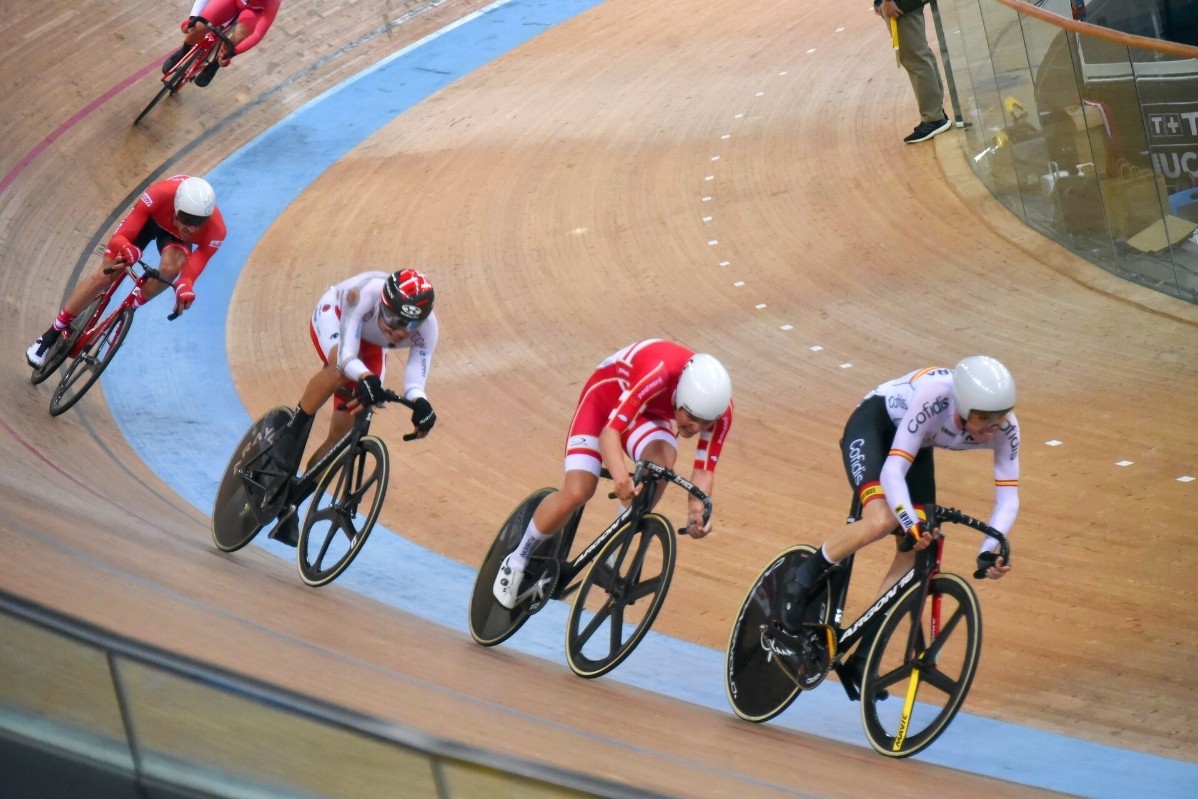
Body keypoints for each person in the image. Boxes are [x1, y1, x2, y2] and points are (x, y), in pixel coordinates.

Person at [778, 356, 1018, 683]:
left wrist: (990, 549)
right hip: (876, 425)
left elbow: (1008, 499)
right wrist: (908, 521)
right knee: (882, 519)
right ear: (962, 407)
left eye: (999, 418)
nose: (992, 427)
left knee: (917, 551)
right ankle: (800, 580)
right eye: (984, 419)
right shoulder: (935, 395)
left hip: (917, 445)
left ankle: (864, 657)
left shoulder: (1005, 428)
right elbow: (893, 471)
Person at [493, 339, 734, 609]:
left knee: (662, 464)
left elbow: (703, 470)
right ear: (680, 396)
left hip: (644, 412)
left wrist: (695, 512)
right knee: (579, 491)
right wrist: (620, 476)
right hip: (603, 400)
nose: (695, 427)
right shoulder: (658, 373)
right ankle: (517, 559)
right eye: (691, 416)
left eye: (705, 422)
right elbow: (610, 433)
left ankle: (612, 551)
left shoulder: (721, 412)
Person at [266, 269, 439, 546]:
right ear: (383, 301)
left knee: (346, 436)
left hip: (370, 345)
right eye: (392, 317)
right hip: (336, 316)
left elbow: (415, 380)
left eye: (406, 326)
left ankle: (293, 498)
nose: (394, 330)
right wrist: (365, 377)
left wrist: (421, 404)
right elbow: (347, 355)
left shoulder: (428, 329)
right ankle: (289, 435)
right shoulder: (363, 294)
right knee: (340, 370)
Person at [26, 175, 224, 369]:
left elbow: (196, 264)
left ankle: (129, 308)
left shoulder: (216, 230)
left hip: (175, 242)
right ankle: (50, 335)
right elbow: (120, 237)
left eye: (197, 222)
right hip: (152, 220)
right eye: (186, 218)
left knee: (171, 270)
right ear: (176, 206)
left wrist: (185, 285)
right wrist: (128, 248)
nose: (190, 227)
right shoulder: (159, 194)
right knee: (106, 276)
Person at [875, 0, 952, 144]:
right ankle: (935, 111)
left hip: (900, 3)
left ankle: (934, 119)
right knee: (920, 54)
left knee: (915, 58)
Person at [162, 0, 282, 88]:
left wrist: (233, 52)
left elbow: (258, 34)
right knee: (198, 27)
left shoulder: (273, 2)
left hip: (255, 11)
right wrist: (193, 18)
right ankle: (184, 50)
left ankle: (214, 65)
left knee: (238, 37)